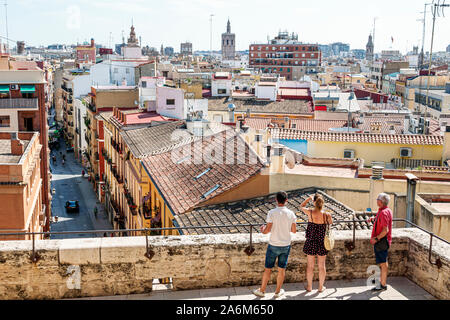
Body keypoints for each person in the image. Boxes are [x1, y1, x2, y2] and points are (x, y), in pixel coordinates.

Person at [253, 191, 297, 299]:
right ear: (286, 200)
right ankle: (277, 292)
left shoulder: (271, 212)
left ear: (276, 200)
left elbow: (267, 230)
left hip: (273, 244)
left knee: (268, 269)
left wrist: (262, 230)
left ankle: (262, 291)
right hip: (285, 245)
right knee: (281, 270)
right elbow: (294, 230)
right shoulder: (291, 214)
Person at [301, 193, 333, 293]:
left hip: (311, 241)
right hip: (322, 242)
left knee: (310, 266)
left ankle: (309, 287)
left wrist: (308, 199)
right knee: (321, 266)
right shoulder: (327, 215)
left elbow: (301, 206)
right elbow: (330, 223)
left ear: (314, 202)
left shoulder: (310, 212)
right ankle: (320, 287)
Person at [368, 193, 393, 292]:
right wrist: (374, 219)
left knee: (383, 263)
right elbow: (382, 221)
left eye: (377, 199)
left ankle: (382, 285)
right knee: (383, 262)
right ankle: (383, 283)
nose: (376, 200)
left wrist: (376, 239)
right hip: (384, 241)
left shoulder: (383, 213)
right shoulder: (385, 210)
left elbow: (385, 230)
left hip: (382, 241)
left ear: (381, 202)